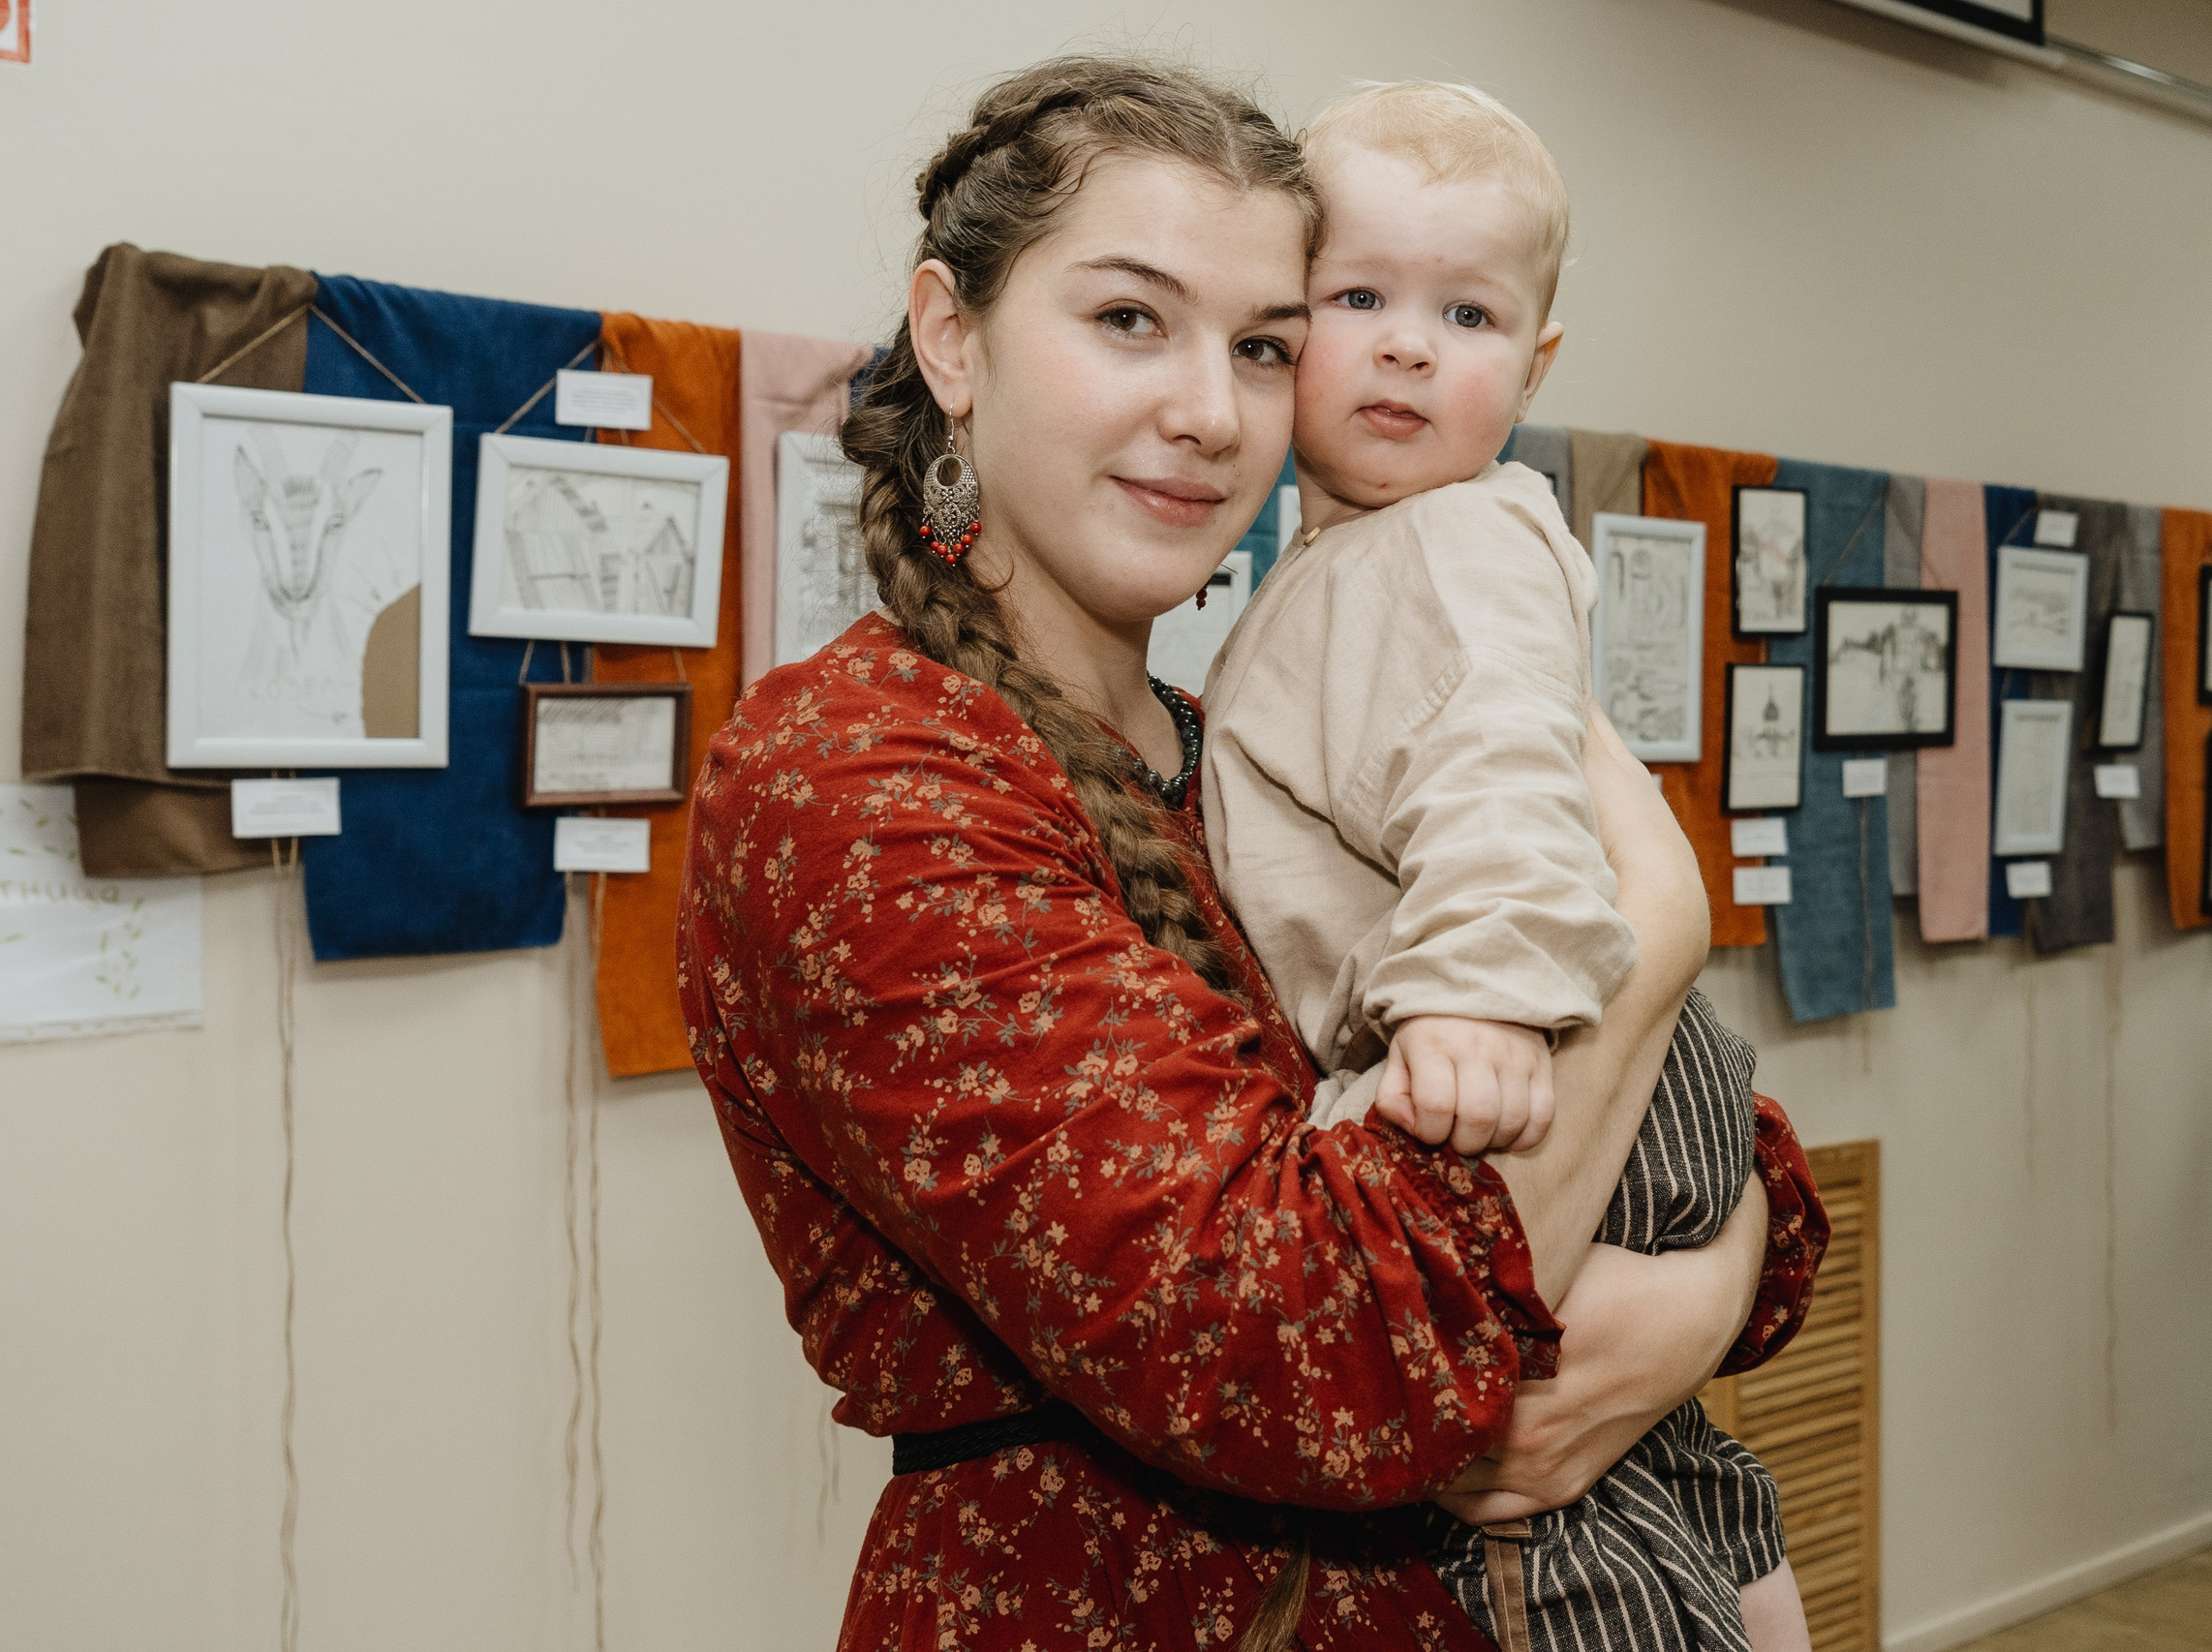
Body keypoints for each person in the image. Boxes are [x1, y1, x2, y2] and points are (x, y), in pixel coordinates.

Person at [678, 55, 1826, 1652]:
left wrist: (1691, 1303)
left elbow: (1725, 1166)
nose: (1212, 412)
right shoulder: (867, 775)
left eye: (1267, 344)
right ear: (952, 335)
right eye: (1130, 319)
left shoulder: (1237, 745)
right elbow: (1304, 1358)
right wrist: (1661, 914)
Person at [1202, 80, 1812, 1652]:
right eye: (1359, 298)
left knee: (1545, 1540)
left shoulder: (1444, 545)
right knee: (1656, 1462)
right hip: (1621, 1045)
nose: (1408, 342)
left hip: (1533, 1044)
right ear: (1284, 330)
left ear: (1534, 366)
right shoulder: (1362, 560)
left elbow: (1490, 795)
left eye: (1465, 312)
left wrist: (1470, 998)